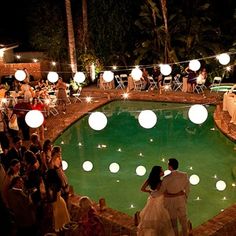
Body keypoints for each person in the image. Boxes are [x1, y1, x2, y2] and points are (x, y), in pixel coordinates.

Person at [137, 166, 175, 236]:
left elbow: (142, 189)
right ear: (158, 173)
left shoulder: (150, 180)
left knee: (150, 216)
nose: (163, 172)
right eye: (161, 171)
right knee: (160, 217)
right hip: (159, 200)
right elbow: (165, 193)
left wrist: (149, 191)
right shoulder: (160, 182)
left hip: (152, 198)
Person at [161, 158, 190, 236]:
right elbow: (187, 188)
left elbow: (162, 192)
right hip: (181, 200)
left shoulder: (166, 179)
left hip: (170, 202)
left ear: (170, 166)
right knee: (183, 220)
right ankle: (185, 234)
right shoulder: (184, 175)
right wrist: (185, 197)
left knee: (174, 222)